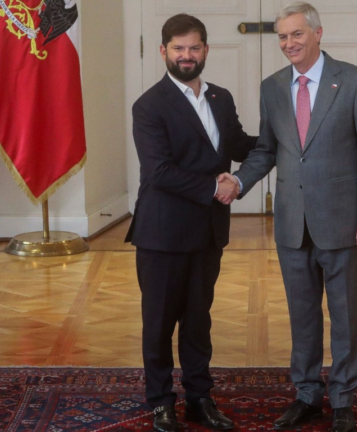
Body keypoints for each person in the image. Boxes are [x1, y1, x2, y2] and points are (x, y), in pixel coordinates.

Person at [221, 2, 357, 431]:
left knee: (344, 315)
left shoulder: (355, 82)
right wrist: (239, 183)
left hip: (345, 222)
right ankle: (307, 394)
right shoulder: (273, 87)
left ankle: (344, 397)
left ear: (317, 33)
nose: (289, 43)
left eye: (296, 34)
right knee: (302, 314)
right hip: (292, 224)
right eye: (282, 36)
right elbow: (267, 151)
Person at [125, 13, 256, 432]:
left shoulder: (220, 97)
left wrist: (285, 139)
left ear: (205, 50)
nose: (187, 55)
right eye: (178, 48)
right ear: (164, 51)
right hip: (162, 233)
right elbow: (158, 171)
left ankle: (200, 398)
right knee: (160, 322)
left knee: (199, 320)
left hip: (207, 232)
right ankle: (161, 400)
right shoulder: (149, 105)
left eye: (194, 47)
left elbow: (236, 144)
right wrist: (215, 187)